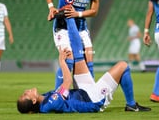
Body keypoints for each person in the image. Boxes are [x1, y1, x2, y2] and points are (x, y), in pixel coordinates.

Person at [17, 17, 151, 113]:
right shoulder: (51, 103)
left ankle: (71, 18)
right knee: (123, 66)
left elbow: (63, 88)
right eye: (25, 95)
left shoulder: (44, 100)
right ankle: (131, 105)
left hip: (82, 91)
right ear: (33, 101)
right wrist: (62, 62)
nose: (26, 91)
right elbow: (67, 81)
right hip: (93, 99)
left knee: (77, 56)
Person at [43, 0, 101, 89]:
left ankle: (86, 95)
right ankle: (59, 95)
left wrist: (78, 14)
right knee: (68, 60)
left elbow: (94, 11)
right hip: (63, 27)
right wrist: (51, 7)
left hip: (81, 28)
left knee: (87, 61)